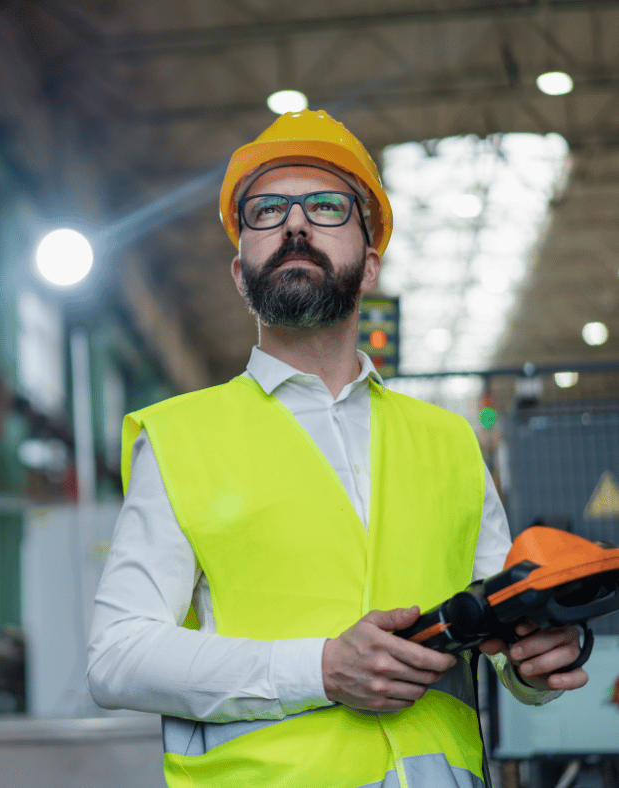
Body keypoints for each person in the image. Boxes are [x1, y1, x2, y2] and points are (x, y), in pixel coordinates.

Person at [86, 109, 588, 788]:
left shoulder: (447, 442)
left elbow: (502, 642)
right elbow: (117, 657)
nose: (296, 224)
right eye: (267, 211)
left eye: (325, 206)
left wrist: (535, 668)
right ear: (241, 273)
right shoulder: (182, 438)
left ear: (370, 263)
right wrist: (319, 669)